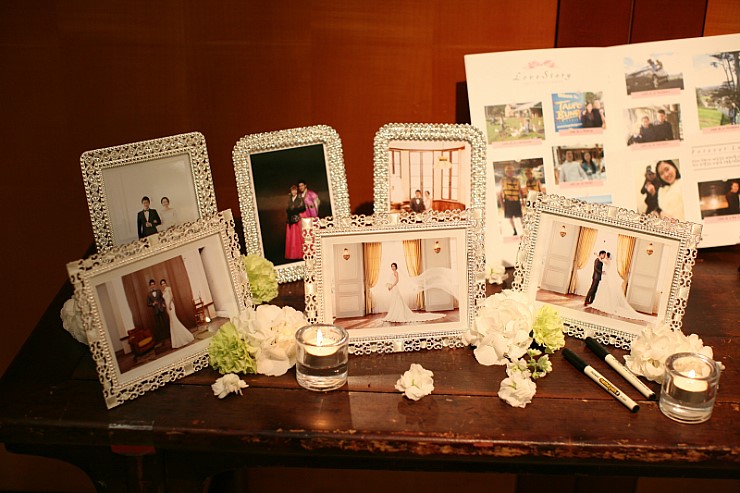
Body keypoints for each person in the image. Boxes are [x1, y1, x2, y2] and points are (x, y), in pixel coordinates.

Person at [589, 253, 654, 322]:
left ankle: (605, 303)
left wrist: (597, 255)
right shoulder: (610, 262)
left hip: (606, 277)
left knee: (605, 290)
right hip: (606, 276)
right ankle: (604, 302)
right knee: (605, 290)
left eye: (605, 256)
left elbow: (601, 260)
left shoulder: (607, 261)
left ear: (607, 257)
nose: (604, 257)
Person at [160, 279, 194, 349]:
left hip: (171, 305)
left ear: (166, 283)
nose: (163, 284)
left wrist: (169, 304)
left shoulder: (168, 288)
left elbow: (171, 297)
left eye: (164, 283)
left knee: (174, 320)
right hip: (167, 307)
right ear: (161, 285)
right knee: (172, 322)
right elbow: (164, 300)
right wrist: (165, 306)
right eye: (162, 284)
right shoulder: (162, 292)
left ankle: (185, 336)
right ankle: (176, 341)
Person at [500, 165, 523, 235]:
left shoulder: (517, 180)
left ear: (513, 172)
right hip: (508, 201)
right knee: (510, 217)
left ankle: (525, 229)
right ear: (506, 172)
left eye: (511, 171)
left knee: (520, 216)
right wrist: (502, 204)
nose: (510, 173)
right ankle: (515, 230)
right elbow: (500, 193)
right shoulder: (503, 181)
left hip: (516, 200)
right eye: (508, 172)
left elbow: (520, 191)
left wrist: (522, 201)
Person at [285, 185, 306, 260]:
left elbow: (303, 208)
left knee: (298, 237)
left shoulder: (300, 198)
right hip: (291, 219)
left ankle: (300, 253)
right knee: (292, 237)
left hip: (297, 219)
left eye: (295, 190)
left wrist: (295, 210)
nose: (294, 192)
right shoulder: (289, 199)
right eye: (292, 190)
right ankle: (293, 254)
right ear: (291, 191)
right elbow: (288, 209)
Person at [146, 279, 168, 344]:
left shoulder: (159, 291)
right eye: (151, 285)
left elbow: (162, 298)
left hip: (161, 309)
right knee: (159, 326)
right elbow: (147, 303)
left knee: (166, 322)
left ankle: (169, 336)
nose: (153, 286)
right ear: (150, 286)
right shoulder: (148, 294)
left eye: (153, 284)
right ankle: (162, 340)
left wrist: (163, 303)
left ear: (155, 285)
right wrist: (152, 304)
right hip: (156, 311)